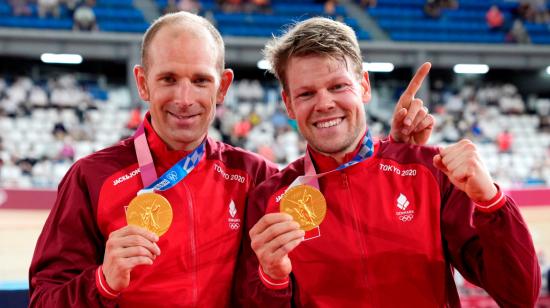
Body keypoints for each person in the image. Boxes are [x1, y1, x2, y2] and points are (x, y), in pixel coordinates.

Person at [28, 12, 431, 307]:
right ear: (142, 83)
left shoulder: (253, 176)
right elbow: (44, 300)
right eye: (168, 79)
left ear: (222, 88)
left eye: (200, 80)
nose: (185, 99)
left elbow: (336, 193)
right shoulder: (92, 178)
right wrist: (103, 283)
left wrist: (389, 154)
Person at [237, 17, 541, 307]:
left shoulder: (431, 172)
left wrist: (492, 201)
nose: (325, 103)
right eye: (306, 94)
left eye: (338, 86)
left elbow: (519, 296)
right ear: (288, 104)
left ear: (364, 86)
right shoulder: (270, 200)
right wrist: (272, 280)